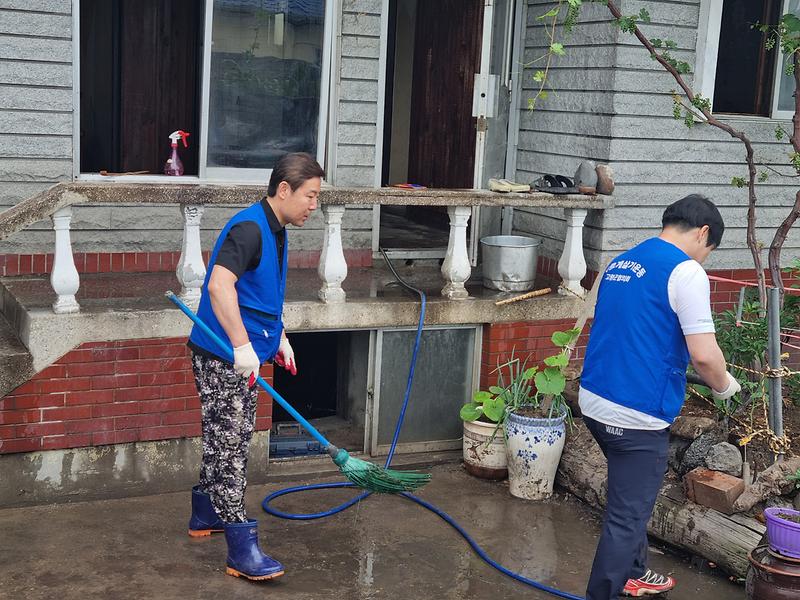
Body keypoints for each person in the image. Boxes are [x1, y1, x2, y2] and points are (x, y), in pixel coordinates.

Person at [579, 195, 742, 599]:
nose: (704, 259)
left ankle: (633, 571)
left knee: (628, 499)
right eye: (709, 251)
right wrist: (724, 387)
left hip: (594, 399)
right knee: (626, 517)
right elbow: (704, 355)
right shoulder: (685, 272)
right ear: (703, 233)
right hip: (635, 413)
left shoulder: (624, 260)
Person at [185, 152, 323, 581]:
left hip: (243, 353)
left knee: (224, 438)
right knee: (232, 448)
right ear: (284, 190)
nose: (314, 206)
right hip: (222, 356)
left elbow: (258, 294)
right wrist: (242, 346)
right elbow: (219, 284)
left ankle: (204, 515)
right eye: (310, 196)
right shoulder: (249, 227)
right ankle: (241, 551)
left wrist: (277, 338)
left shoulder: (277, 228)